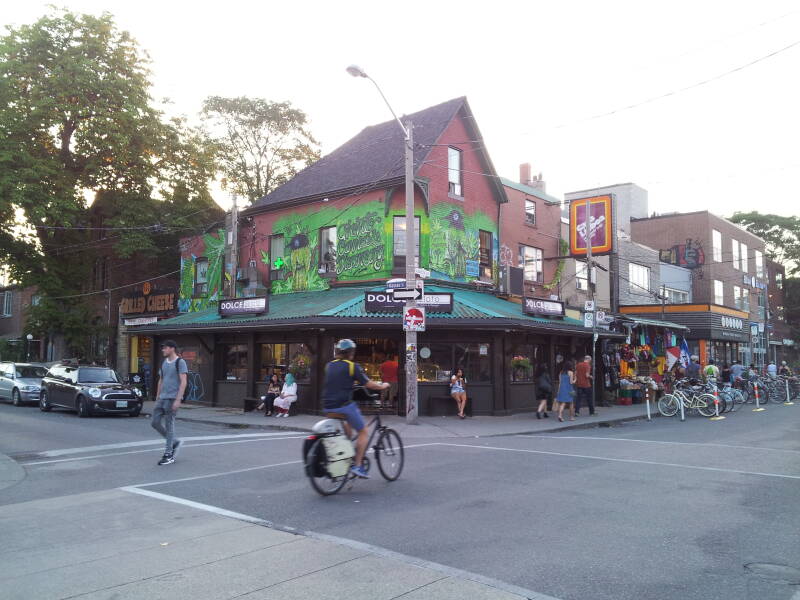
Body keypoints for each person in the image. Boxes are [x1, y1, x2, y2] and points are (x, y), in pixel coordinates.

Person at [322, 339, 389, 478]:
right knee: (363, 431)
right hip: (344, 406)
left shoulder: (329, 366)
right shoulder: (352, 366)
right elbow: (368, 384)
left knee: (348, 432)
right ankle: (358, 466)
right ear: (351, 353)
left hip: (328, 407)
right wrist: (383, 386)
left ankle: (345, 455)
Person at [152, 340, 188, 466]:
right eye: (162, 348)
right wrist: (157, 396)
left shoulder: (180, 362)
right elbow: (160, 380)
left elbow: (183, 382)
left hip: (172, 398)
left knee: (169, 424)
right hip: (162, 398)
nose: (163, 350)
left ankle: (168, 454)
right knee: (155, 422)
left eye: (165, 348)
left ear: (172, 349)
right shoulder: (164, 363)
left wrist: (178, 399)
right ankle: (174, 442)